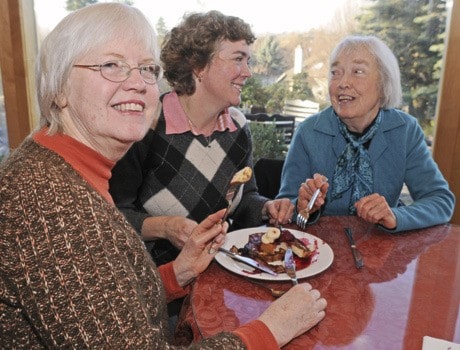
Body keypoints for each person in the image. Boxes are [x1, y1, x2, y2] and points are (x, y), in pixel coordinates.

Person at [0, 3, 326, 348]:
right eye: (112, 65)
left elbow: (105, 300)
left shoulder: (58, 173)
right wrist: (270, 330)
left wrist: (178, 273)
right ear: (59, 87)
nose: (139, 84)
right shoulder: (55, 208)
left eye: (147, 68)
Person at [109, 10, 293, 266]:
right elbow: (113, 217)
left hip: (228, 267)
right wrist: (165, 227)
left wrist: (266, 208)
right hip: (159, 281)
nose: (248, 72)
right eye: (238, 59)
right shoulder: (146, 125)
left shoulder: (238, 126)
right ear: (198, 66)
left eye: (248, 61)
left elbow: (244, 198)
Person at [277, 35, 455, 232]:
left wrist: (395, 216)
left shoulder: (405, 130)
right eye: (335, 72)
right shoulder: (308, 132)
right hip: (320, 248)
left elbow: (440, 201)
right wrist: (302, 207)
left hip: (383, 247)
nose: (343, 82)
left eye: (358, 71)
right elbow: (284, 205)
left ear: (383, 83)